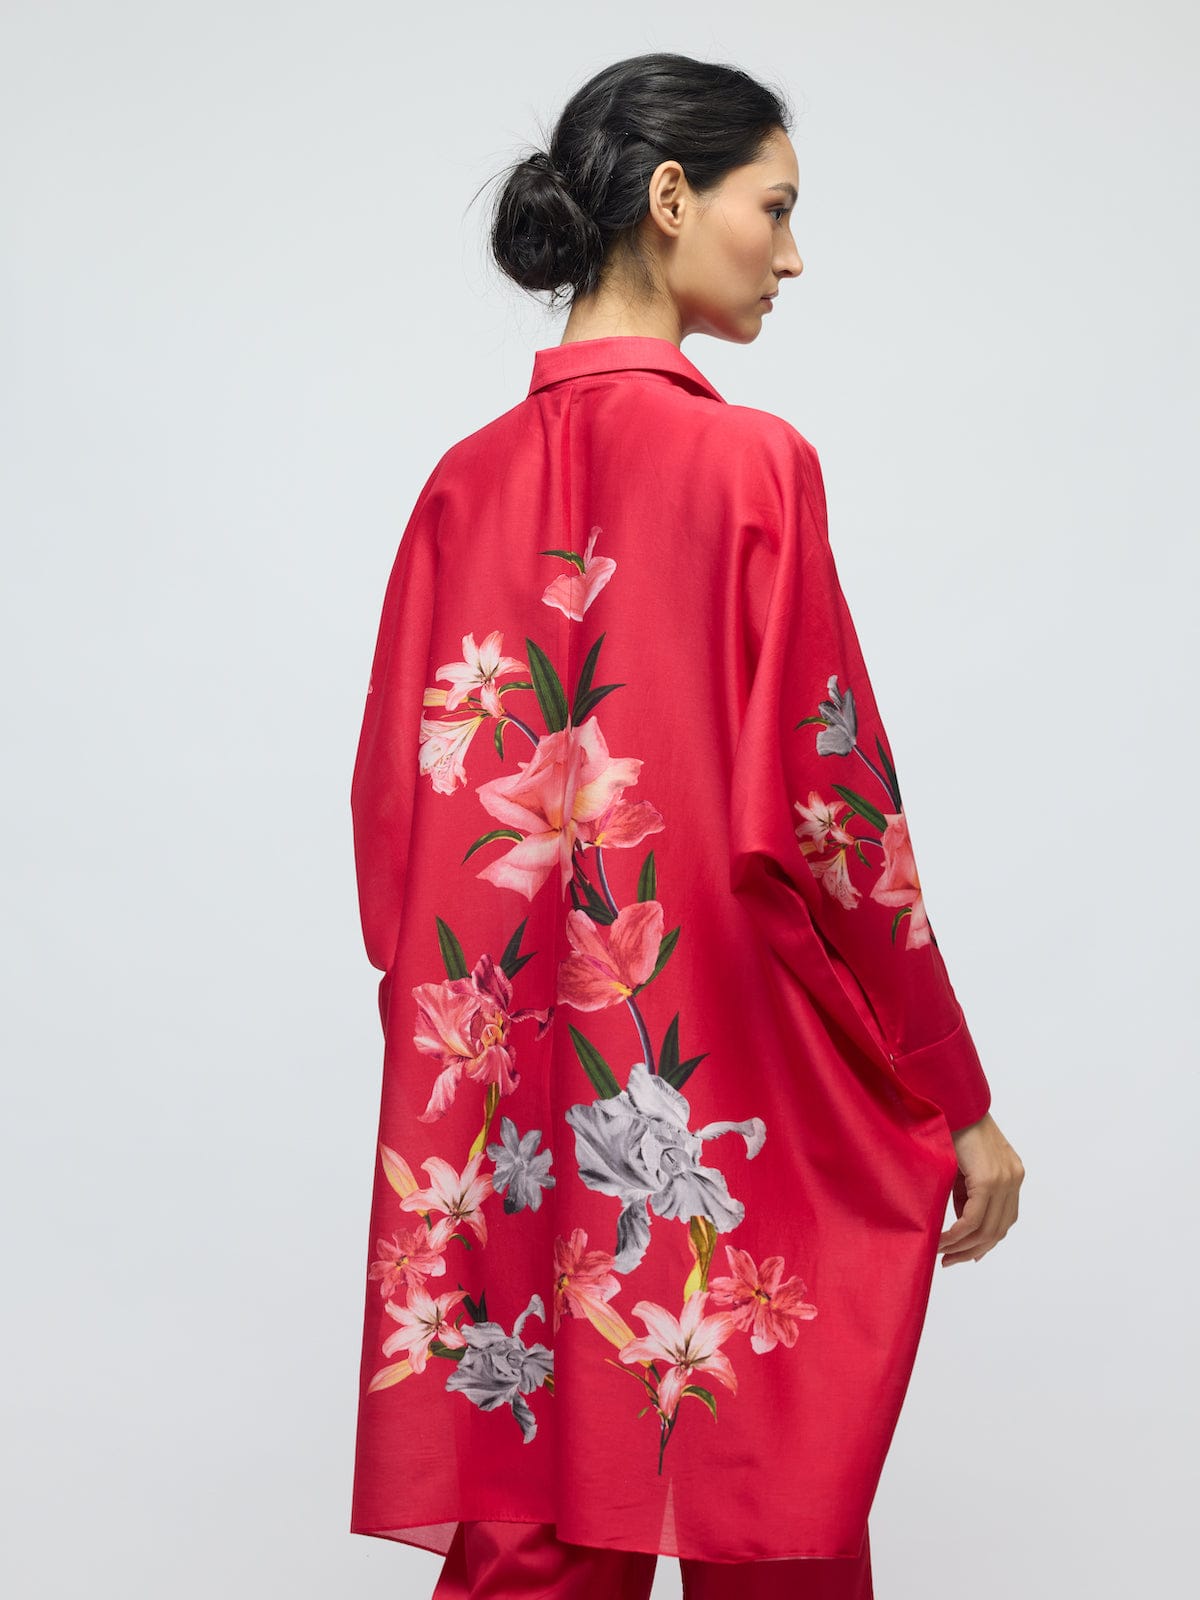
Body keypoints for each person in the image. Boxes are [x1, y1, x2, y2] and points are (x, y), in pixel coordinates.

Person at [347, 50, 1025, 1599]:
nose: (792, 255)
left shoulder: (458, 486)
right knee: (761, 1503)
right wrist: (951, 1093)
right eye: (772, 209)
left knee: (531, 1542)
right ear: (671, 198)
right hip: (719, 1082)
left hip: (509, 1095)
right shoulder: (752, 467)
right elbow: (839, 820)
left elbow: (394, 822)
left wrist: (481, 1035)